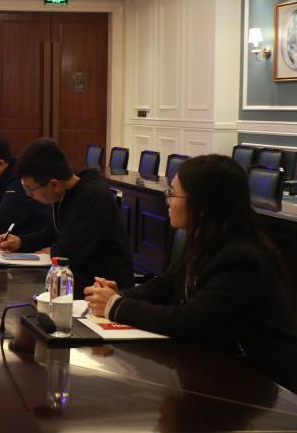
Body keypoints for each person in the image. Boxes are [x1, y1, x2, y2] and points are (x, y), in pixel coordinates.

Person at [85, 154, 297, 391]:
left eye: (173, 194)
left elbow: (191, 322)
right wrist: (117, 296)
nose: (167, 201)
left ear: (203, 206)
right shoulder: (207, 239)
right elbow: (164, 286)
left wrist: (116, 306)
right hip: (220, 366)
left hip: (260, 381)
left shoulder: (241, 256)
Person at [1, 138, 134, 296]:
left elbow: (68, 253)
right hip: (77, 281)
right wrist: (21, 242)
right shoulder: (66, 191)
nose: (29, 195)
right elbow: (54, 232)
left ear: (54, 185)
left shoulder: (93, 197)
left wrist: (53, 250)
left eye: (30, 189)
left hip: (104, 289)